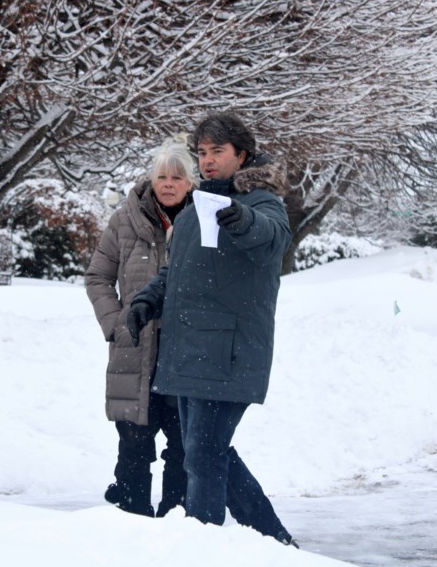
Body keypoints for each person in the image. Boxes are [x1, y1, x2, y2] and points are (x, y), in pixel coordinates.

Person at [127, 112, 298, 547]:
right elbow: (177, 273)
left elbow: (273, 236)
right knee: (206, 453)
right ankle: (275, 543)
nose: (207, 161)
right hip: (188, 352)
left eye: (217, 152)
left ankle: (204, 548)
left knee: (203, 456)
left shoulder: (262, 203)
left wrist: (240, 218)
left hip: (227, 353)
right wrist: (147, 299)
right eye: (202, 152)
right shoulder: (195, 210)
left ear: (241, 154)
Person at [84, 138, 197, 517]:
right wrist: (116, 324)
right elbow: (98, 277)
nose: (168, 184)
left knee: (182, 444)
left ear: (190, 183)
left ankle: (176, 520)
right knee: (133, 441)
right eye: (162, 176)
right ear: (152, 179)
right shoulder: (124, 221)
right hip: (134, 347)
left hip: (184, 351)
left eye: (177, 178)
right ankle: (130, 516)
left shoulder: (203, 222)